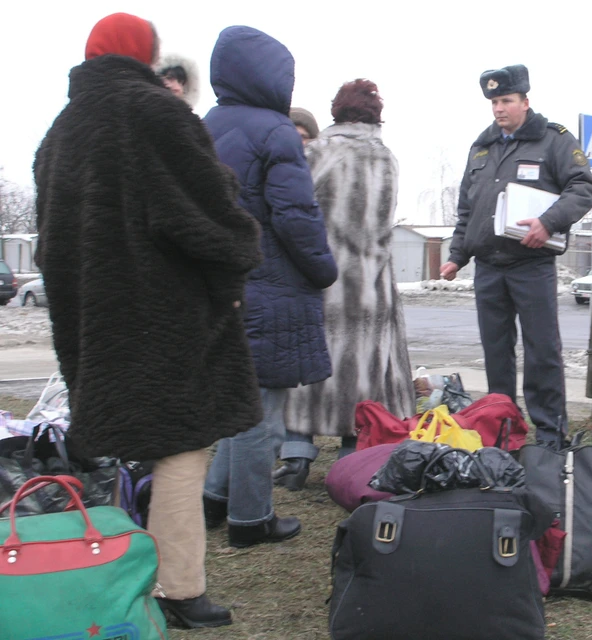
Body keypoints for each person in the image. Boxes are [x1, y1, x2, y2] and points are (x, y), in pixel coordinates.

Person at [33, 12, 263, 628]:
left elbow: (50, 243)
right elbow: (203, 217)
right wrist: (236, 255)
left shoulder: (59, 133)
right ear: (143, 55)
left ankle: (106, 570)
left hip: (94, 320)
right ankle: (178, 588)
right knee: (183, 447)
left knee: (110, 448)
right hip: (169, 316)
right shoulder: (157, 114)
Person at [201, 26, 338, 548]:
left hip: (225, 283)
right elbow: (296, 214)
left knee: (241, 401)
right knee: (263, 414)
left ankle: (215, 499)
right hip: (272, 282)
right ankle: (251, 519)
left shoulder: (208, 125)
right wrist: (324, 268)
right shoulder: (275, 131)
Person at [440, 64, 592, 447]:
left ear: (525, 102)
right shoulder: (482, 147)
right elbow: (468, 208)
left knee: (542, 350)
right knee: (496, 352)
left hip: (532, 265)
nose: (499, 108)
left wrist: (548, 222)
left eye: (506, 100)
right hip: (488, 268)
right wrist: (456, 255)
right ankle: (502, 426)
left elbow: (584, 188)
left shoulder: (554, 140)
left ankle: (549, 433)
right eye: (494, 101)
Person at [277, 79, 416, 488]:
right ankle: (352, 460)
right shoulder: (388, 159)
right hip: (374, 286)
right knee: (363, 375)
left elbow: (296, 210)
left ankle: (297, 457)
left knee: (309, 371)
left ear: (336, 112)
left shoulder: (319, 152)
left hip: (326, 282)